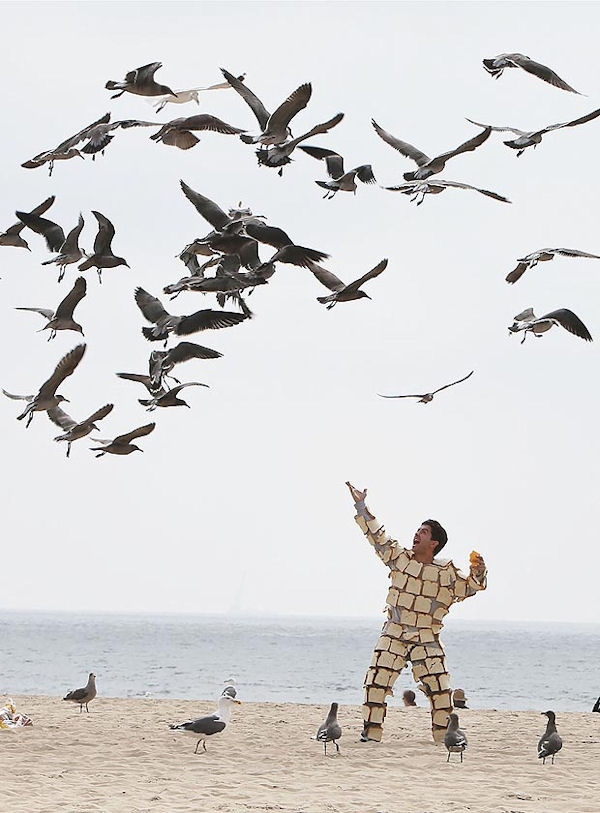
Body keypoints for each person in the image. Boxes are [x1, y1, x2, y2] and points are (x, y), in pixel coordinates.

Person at [346, 481, 487, 744]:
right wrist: (361, 505)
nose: (416, 535)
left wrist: (479, 569)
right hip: (394, 633)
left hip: (426, 636)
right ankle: (371, 733)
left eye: (423, 532)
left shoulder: (446, 574)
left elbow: (473, 586)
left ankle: (444, 737)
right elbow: (377, 537)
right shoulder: (400, 559)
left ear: (434, 542)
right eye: (417, 530)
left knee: (441, 690)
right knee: (376, 683)